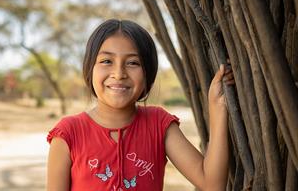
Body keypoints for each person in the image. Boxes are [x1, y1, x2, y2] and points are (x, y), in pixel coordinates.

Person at [46, 19, 234, 191]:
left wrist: (217, 106)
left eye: (133, 63)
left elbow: (212, 184)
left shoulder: (158, 124)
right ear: (90, 69)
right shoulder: (68, 134)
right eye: (106, 61)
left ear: (148, 76)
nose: (119, 73)